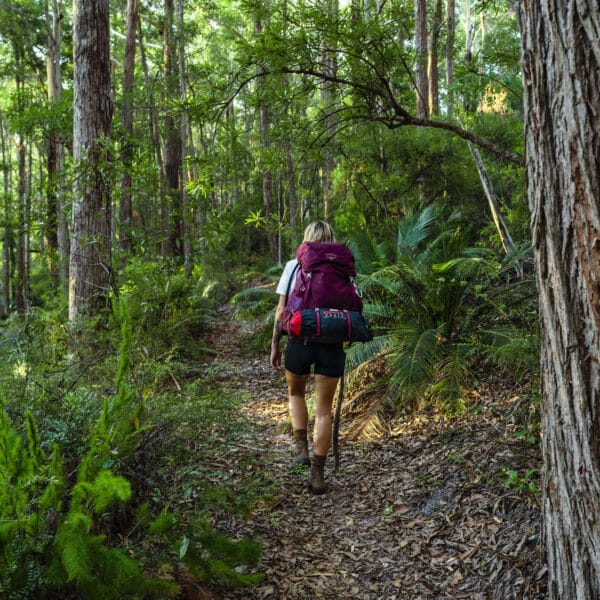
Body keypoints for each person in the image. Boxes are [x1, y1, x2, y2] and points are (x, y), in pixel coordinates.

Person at [270, 221, 349, 495]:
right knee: (324, 410)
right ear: (331, 239)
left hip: (299, 341)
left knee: (295, 394)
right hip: (332, 344)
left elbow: (281, 312)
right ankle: (318, 475)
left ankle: (301, 448)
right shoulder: (342, 267)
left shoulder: (294, 266)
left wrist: (275, 345)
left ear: (306, 240)